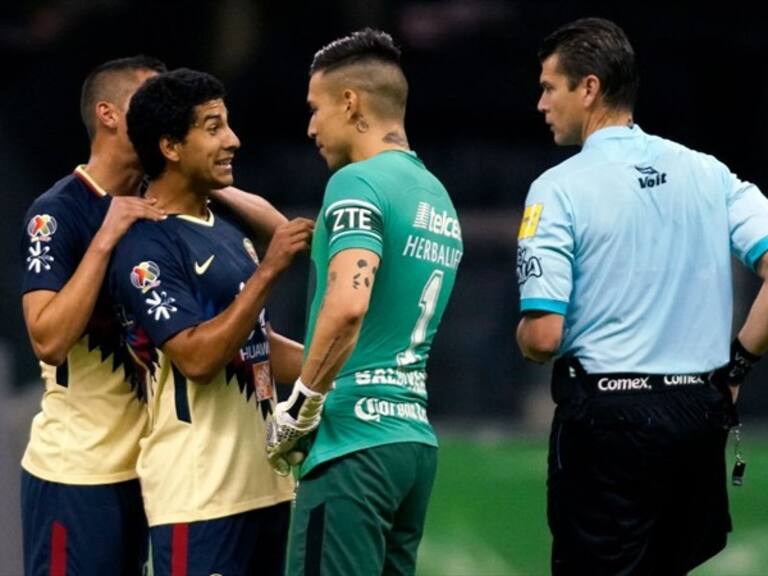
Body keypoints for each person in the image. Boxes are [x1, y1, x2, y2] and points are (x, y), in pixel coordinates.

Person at [516, 17, 768, 575]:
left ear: (589, 88)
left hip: (608, 420)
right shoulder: (709, 173)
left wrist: (524, 337)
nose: (540, 104)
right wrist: (737, 369)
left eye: (548, 86)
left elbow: (542, 337)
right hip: (697, 415)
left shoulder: (557, 188)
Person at [20, 56, 289, 576]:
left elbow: (281, 234)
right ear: (109, 115)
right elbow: (47, 340)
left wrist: (211, 179)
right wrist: (104, 241)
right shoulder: (59, 212)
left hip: (154, 468)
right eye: (148, 98)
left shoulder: (161, 203)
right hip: (82, 470)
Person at [265, 28, 463, 575]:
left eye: (315, 109)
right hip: (411, 444)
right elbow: (376, 333)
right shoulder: (437, 197)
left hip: (352, 443)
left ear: (349, 102)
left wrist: (302, 405)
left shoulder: (357, 183)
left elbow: (350, 305)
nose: (310, 127)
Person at [109, 67, 313, 575]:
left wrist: (337, 365)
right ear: (171, 147)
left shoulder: (223, 230)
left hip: (266, 486)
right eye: (214, 126)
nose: (233, 141)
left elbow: (256, 344)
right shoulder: (146, 243)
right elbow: (197, 357)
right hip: (199, 498)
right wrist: (268, 271)